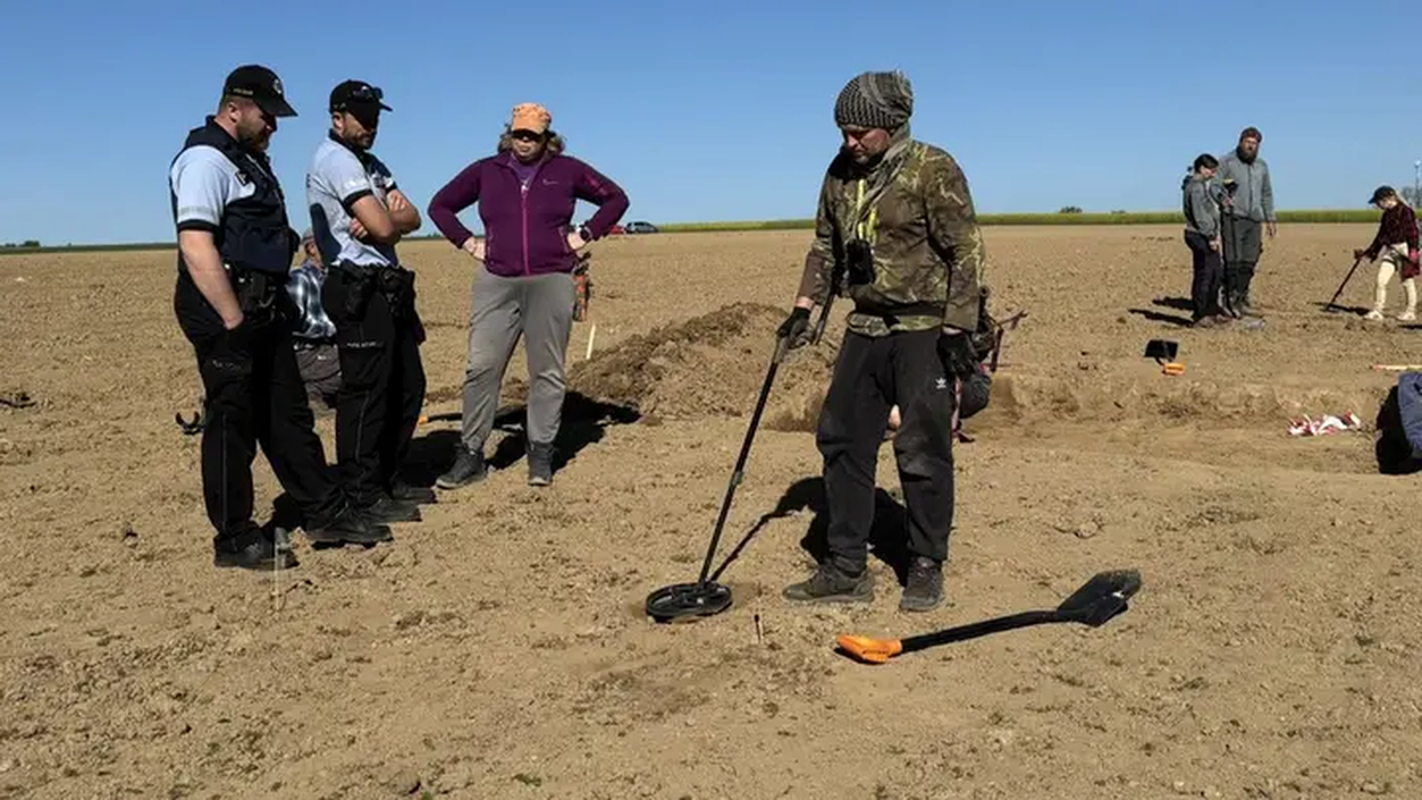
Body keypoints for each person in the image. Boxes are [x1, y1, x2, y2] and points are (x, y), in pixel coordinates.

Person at [777, 70, 986, 613]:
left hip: (924, 330)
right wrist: (804, 310)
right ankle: (846, 565)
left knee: (921, 445)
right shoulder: (840, 174)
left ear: (892, 126)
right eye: (843, 132)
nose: (849, 143)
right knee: (841, 436)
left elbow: (966, 250)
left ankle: (924, 563)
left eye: (859, 133)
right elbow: (824, 246)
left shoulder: (932, 169)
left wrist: (960, 328)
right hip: (866, 324)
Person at [169, 64, 392, 569]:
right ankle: (234, 537)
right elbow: (196, 244)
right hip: (226, 309)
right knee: (233, 423)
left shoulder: (247, 161)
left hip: (262, 307)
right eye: (267, 115)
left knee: (288, 414)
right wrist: (231, 319)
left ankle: (324, 511)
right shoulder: (205, 160)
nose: (274, 125)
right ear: (234, 108)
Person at [427, 102, 630, 489]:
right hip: (496, 281)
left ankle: (540, 452)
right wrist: (469, 243)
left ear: (546, 138)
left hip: (551, 279)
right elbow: (440, 205)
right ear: (509, 133)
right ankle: (470, 455)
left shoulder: (567, 170)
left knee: (547, 372)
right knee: (481, 368)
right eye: (519, 134)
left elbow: (616, 199)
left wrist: (583, 235)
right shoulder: (487, 171)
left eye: (532, 136)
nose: (524, 142)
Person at [306, 79, 432, 523]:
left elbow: (411, 216)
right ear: (337, 117)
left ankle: (390, 476)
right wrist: (386, 217)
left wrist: (388, 218)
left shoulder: (371, 163)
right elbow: (382, 226)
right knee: (367, 391)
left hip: (388, 283)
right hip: (355, 283)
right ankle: (362, 489)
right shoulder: (336, 160)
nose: (371, 125)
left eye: (376, 117)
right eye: (363, 117)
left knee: (407, 384)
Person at [1215, 127, 1276, 317]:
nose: (1251, 146)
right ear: (1240, 141)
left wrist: (1270, 218)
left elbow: (1266, 193)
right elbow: (1215, 185)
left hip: (1254, 219)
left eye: (1254, 144)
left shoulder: (1261, 166)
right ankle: (1227, 299)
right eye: (1248, 142)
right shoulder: (1227, 162)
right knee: (1233, 260)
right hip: (1233, 217)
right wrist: (1223, 198)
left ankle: (1242, 297)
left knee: (1250, 260)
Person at [287, 228, 342, 409]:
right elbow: (292, 326)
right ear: (311, 248)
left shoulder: (330, 276)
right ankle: (310, 391)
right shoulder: (299, 279)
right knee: (355, 362)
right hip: (307, 352)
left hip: (325, 349)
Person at [1354, 185, 1420, 321]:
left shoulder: (1406, 211)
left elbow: (1413, 232)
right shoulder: (1386, 215)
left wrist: (1414, 251)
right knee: (1380, 281)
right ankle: (1377, 311)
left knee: (1407, 282)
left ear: (1387, 199)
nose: (1377, 205)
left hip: (1405, 251)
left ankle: (1410, 312)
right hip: (1391, 252)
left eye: (1378, 202)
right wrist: (1368, 253)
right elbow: (1380, 238)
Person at [1182, 154, 1231, 327]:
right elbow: (1200, 216)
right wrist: (1210, 236)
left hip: (1202, 234)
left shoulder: (1199, 185)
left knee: (1215, 273)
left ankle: (1212, 311)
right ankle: (1201, 315)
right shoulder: (1195, 188)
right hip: (1199, 235)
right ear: (1202, 168)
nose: (1213, 174)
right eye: (1211, 170)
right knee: (1205, 275)